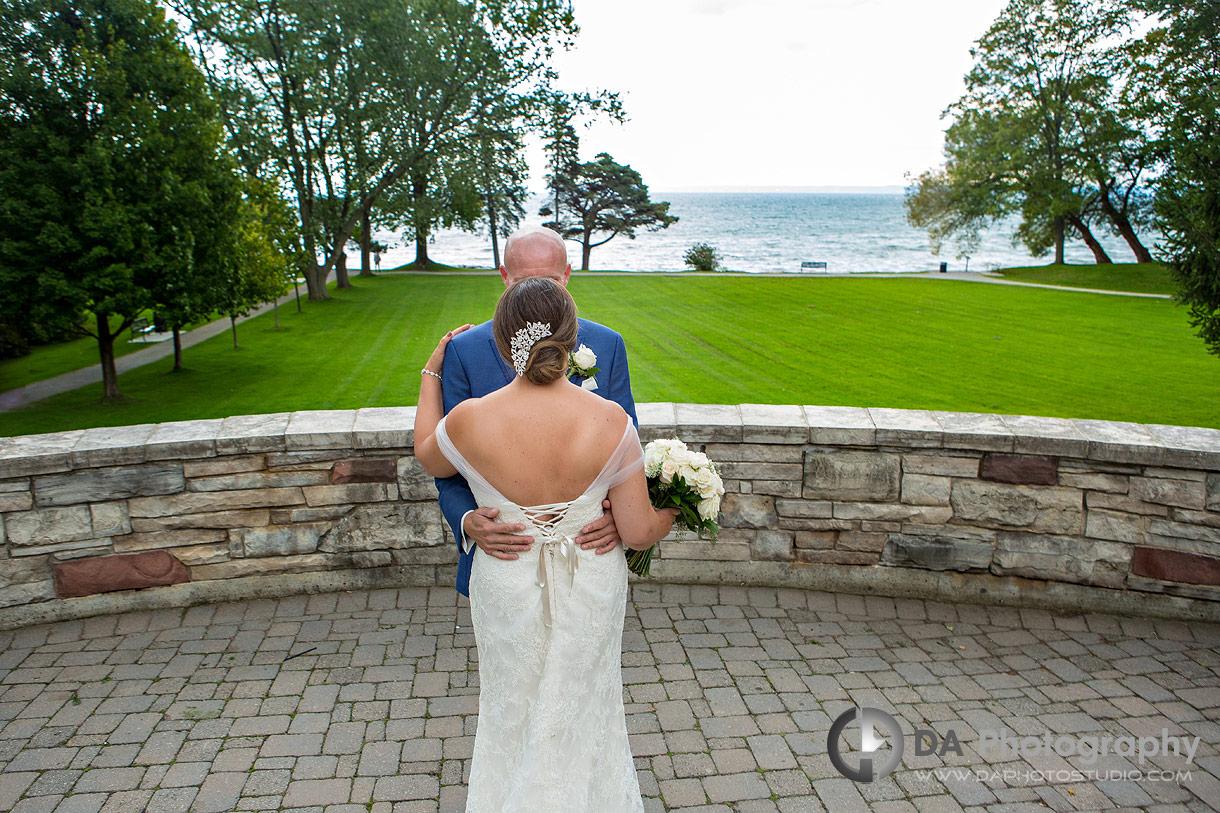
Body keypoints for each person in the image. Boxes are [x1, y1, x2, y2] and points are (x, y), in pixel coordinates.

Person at [413, 277, 678, 812]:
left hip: (506, 574)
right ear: (572, 336)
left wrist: (432, 371)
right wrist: (675, 507)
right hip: (592, 575)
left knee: (511, 707)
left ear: (502, 338)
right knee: (587, 704)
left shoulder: (468, 419)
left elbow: (427, 455)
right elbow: (639, 532)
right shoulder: (610, 421)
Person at [434, 226, 638, 598]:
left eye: (549, 280)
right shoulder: (464, 351)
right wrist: (467, 520)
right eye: (526, 281)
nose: (538, 293)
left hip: (588, 554)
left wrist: (617, 518)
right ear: (504, 276)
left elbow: (628, 450)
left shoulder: (607, 345)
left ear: (567, 276)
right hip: (504, 557)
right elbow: (447, 463)